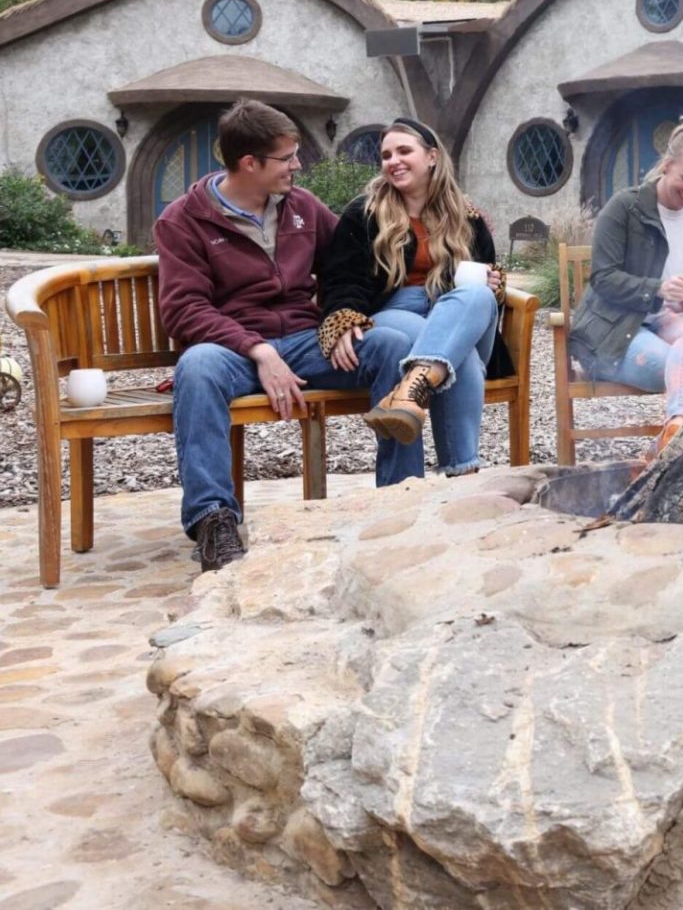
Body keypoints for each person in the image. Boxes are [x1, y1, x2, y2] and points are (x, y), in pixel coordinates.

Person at [156, 99, 410, 573]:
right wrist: (257, 350)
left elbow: (349, 265)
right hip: (232, 350)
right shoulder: (182, 220)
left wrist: (343, 318)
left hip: (306, 341)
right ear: (249, 163)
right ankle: (214, 521)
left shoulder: (303, 208)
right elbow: (184, 310)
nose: (297, 165)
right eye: (287, 157)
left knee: (392, 346)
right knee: (196, 367)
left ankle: (399, 503)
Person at [317, 118, 511, 478]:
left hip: (455, 314)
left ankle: (409, 390)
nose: (393, 161)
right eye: (386, 155)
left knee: (477, 295)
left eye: (404, 151)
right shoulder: (365, 214)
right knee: (460, 358)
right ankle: (461, 474)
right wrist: (342, 317)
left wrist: (494, 284)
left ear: (432, 157)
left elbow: (485, 290)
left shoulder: (467, 218)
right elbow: (341, 277)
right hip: (395, 312)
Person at [570, 118, 683, 428]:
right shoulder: (624, 208)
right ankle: (681, 432)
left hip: (671, 326)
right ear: (667, 165)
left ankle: (676, 427)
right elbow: (603, 278)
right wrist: (657, 288)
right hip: (616, 332)